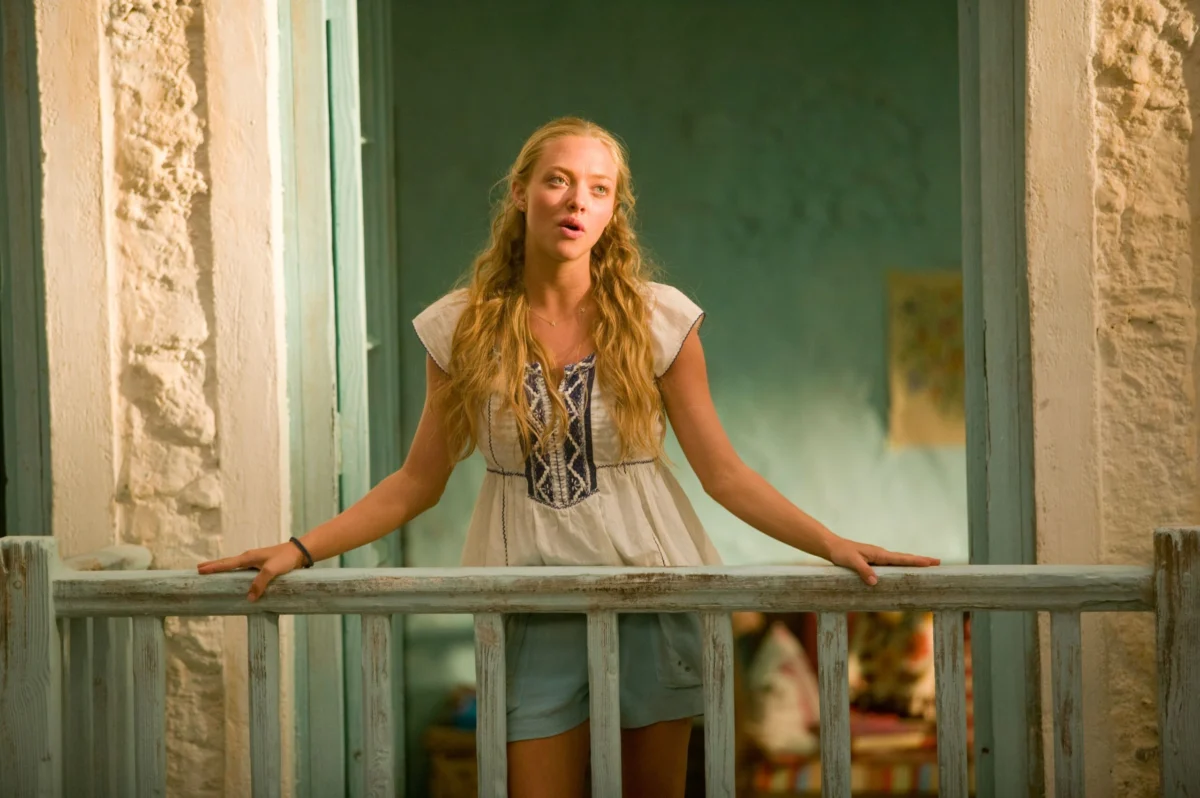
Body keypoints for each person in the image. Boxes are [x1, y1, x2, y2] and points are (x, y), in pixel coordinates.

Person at [198, 116, 939, 797]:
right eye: (558, 180)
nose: (576, 200)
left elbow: (724, 474)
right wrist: (301, 549)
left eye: (598, 188)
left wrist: (830, 544)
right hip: (527, 601)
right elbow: (417, 481)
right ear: (520, 193)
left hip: (653, 593)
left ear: (613, 211)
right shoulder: (461, 328)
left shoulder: (658, 320)